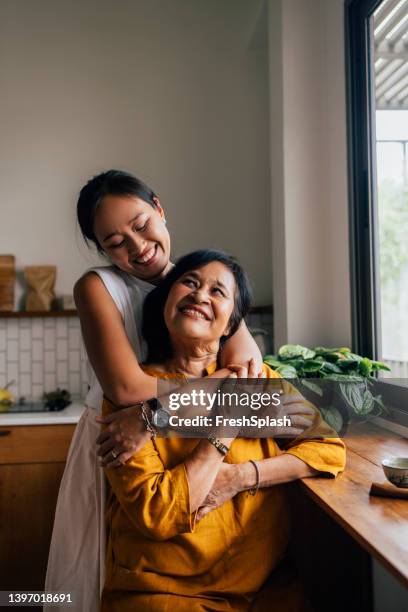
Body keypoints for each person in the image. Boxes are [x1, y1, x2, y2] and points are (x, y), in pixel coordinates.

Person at [45, 171, 265, 612]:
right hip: (120, 445)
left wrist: (154, 415)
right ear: (101, 249)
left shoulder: (201, 280)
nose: (137, 246)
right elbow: (126, 387)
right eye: (115, 241)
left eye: (141, 224)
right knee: (99, 580)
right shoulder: (97, 286)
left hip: (179, 440)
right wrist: (215, 385)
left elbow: (251, 376)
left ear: (160, 209)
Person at [101, 249, 346, 612]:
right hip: (163, 594)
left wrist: (242, 477)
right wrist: (225, 428)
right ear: (166, 302)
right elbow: (159, 513)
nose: (200, 295)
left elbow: (327, 447)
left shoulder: (255, 380)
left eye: (218, 291)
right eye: (189, 282)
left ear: (232, 324)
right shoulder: (133, 396)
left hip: (266, 589)